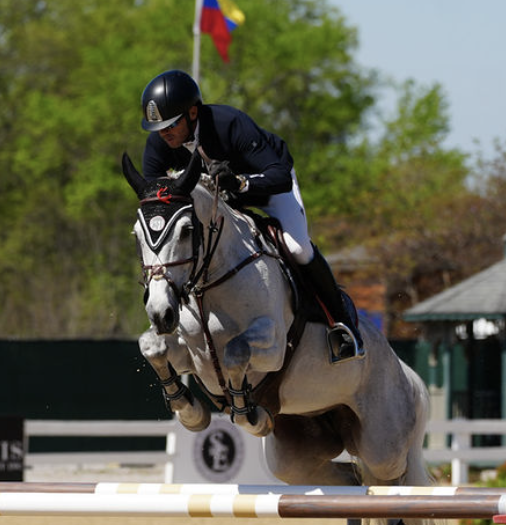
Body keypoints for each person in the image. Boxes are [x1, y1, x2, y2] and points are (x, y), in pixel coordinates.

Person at [139, 69, 363, 361]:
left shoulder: (229, 124)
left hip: (266, 187)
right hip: (220, 202)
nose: (164, 133)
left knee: (298, 247)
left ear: (193, 113)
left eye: (171, 124)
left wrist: (240, 183)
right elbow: (159, 203)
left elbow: (279, 176)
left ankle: (342, 323)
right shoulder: (159, 144)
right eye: (159, 127)